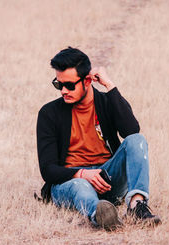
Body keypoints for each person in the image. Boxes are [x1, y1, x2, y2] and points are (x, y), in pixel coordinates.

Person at [36, 47, 161, 230]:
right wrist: (82, 173)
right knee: (80, 186)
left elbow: (131, 130)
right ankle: (100, 214)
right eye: (58, 84)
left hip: (107, 180)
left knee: (137, 140)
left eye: (69, 85)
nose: (63, 91)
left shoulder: (106, 102)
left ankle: (137, 206)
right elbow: (48, 170)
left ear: (87, 81)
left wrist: (110, 86)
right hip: (70, 182)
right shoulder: (49, 113)